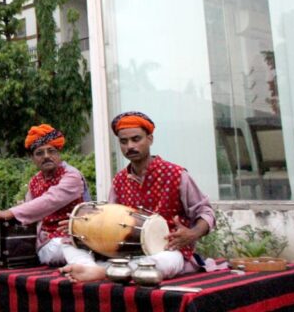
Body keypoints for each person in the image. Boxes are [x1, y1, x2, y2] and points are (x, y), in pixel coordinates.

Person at [61, 111, 215, 283]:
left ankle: (100, 272)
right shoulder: (119, 180)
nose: (130, 146)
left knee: (164, 262)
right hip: (127, 252)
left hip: (167, 251)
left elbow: (205, 212)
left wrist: (192, 234)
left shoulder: (176, 174)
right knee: (67, 243)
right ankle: (95, 268)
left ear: (150, 139)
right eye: (123, 141)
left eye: (136, 139)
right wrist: (81, 226)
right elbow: (107, 221)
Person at [0, 124, 91, 266]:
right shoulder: (34, 182)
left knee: (64, 247)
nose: (46, 156)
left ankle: (86, 266)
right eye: (39, 153)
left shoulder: (72, 176)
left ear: (59, 153)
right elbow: (29, 212)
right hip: (45, 242)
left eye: (51, 151)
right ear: (32, 158)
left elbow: (50, 200)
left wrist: (8, 213)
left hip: (76, 237)